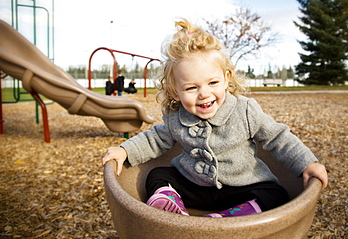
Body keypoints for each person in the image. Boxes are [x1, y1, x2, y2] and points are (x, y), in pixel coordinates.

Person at [102, 19, 328, 218]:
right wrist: (125, 151)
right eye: (191, 87)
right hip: (193, 186)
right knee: (158, 174)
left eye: (213, 83)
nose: (204, 94)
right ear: (174, 92)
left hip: (241, 186)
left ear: (226, 78)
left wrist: (307, 163)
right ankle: (171, 204)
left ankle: (234, 215)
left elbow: (278, 138)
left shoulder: (245, 110)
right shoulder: (176, 117)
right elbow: (154, 139)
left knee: (276, 194)